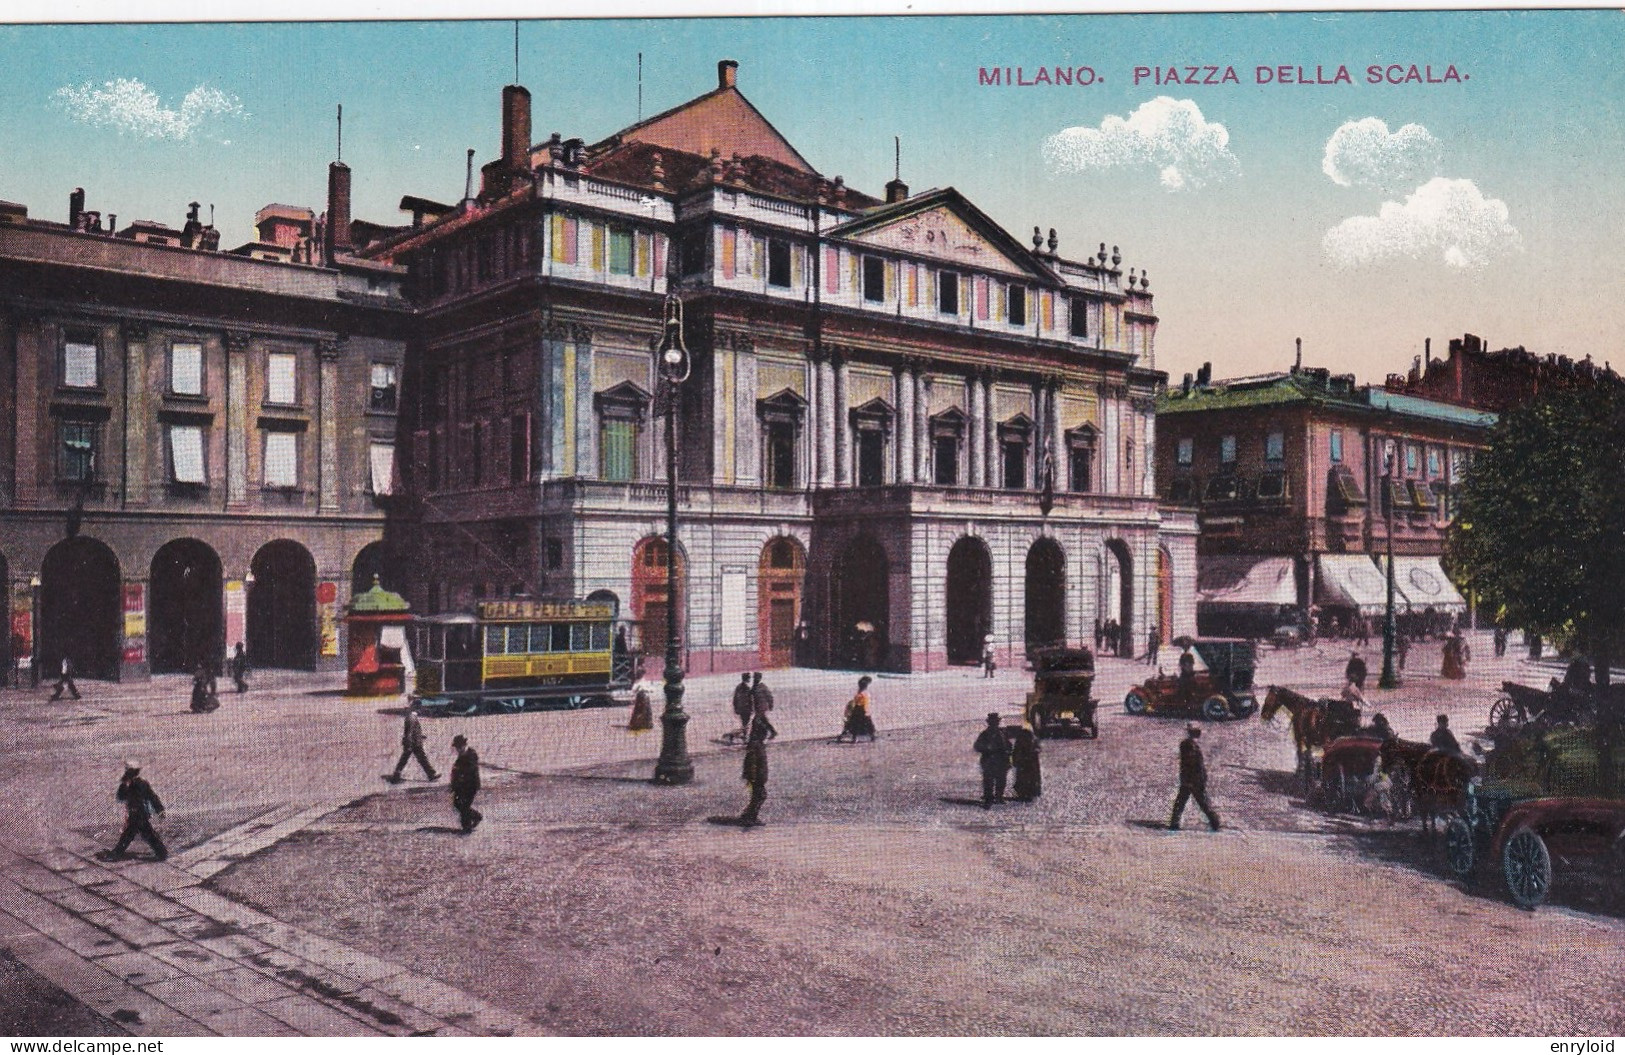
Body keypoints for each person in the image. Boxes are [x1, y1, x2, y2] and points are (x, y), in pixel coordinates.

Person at [1169, 723, 1220, 831]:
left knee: (1189, 801)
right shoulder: (1191, 745)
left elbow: (1191, 764)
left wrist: (1189, 779)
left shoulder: (1188, 745)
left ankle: (1174, 823)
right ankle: (1214, 821)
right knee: (1198, 801)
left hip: (1191, 779)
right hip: (1194, 779)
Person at [111, 761, 166, 861]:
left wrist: (159, 810)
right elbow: (121, 796)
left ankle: (117, 853)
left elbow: (151, 797)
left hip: (140, 813)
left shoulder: (141, 784)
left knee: (133, 834)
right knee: (142, 834)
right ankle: (161, 852)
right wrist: (159, 810)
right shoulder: (129, 783)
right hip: (135, 813)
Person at [738, 711, 776, 826]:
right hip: (755, 778)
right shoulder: (756, 745)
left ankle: (749, 816)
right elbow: (753, 763)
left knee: (758, 796)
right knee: (760, 795)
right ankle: (749, 816)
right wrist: (754, 778)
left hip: (756, 777)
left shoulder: (757, 743)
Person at [389, 704, 438, 782]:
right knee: (411, 759)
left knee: (420, 759)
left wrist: (420, 736)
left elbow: (413, 731)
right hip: (413, 743)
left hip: (414, 742)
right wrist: (409, 743)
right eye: (420, 709)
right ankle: (396, 776)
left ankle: (431, 774)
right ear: (417, 709)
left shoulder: (412, 717)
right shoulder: (412, 718)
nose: (421, 711)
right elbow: (409, 732)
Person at [973, 712, 1012, 808]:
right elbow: (977, 746)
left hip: (1001, 760)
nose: (995, 724)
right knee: (988, 780)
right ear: (989, 723)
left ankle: (999, 796)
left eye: (996, 722)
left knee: (1001, 780)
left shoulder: (1002, 733)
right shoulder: (985, 734)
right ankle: (988, 797)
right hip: (989, 761)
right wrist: (988, 748)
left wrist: (1008, 752)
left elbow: (1008, 745)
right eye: (993, 722)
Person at [449, 734, 482, 833]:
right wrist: (453, 785)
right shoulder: (461, 756)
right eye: (457, 747)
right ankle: (476, 816)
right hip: (460, 786)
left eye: (460, 747)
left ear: (464, 745)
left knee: (464, 806)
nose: (458, 749)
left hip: (471, 786)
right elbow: (456, 772)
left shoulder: (471, 754)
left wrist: (460, 772)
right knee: (457, 803)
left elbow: (470, 770)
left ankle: (466, 828)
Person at [1009, 723, 1042, 802]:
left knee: (1023, 778)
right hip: (1028, 764)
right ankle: (1029, 792)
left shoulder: (1021, 740)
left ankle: (1025, 793)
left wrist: (1015, 761)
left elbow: (1015, 753)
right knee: (1029, 778)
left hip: (1025, 764)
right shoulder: (1033, 740)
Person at [838, 675, 876, 742]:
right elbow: (863, 704)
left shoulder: (859, 694)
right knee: (867, 724)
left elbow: (856, 702)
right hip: (862, 710)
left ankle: (853, 737)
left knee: (853, 724)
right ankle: (871, 736)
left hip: (857, 710)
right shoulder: (864, 694)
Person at [731, 673, 755, 741]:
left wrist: (736, 708)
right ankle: (738, 735)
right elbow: (750, 700)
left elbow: (735, 698)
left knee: (744, 723)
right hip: (746, 709)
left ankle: (744, 736)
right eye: (749, 678)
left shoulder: (738, 687)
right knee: (746, 724)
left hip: (741, 709)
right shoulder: (747, 688)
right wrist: (752, 708)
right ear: (747, 679)